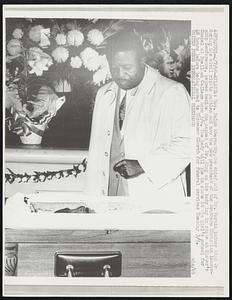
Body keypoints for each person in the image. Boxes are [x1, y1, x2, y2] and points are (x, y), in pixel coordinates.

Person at [85, 30, 191, 199]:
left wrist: (143, 165)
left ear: (142, 61)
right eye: (114, 68)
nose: (120, 74)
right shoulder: (104, 94)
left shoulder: (172, 92)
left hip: (154, 197)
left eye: (127, 67)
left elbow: (189, 144)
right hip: (109, 198)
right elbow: (96, 153)